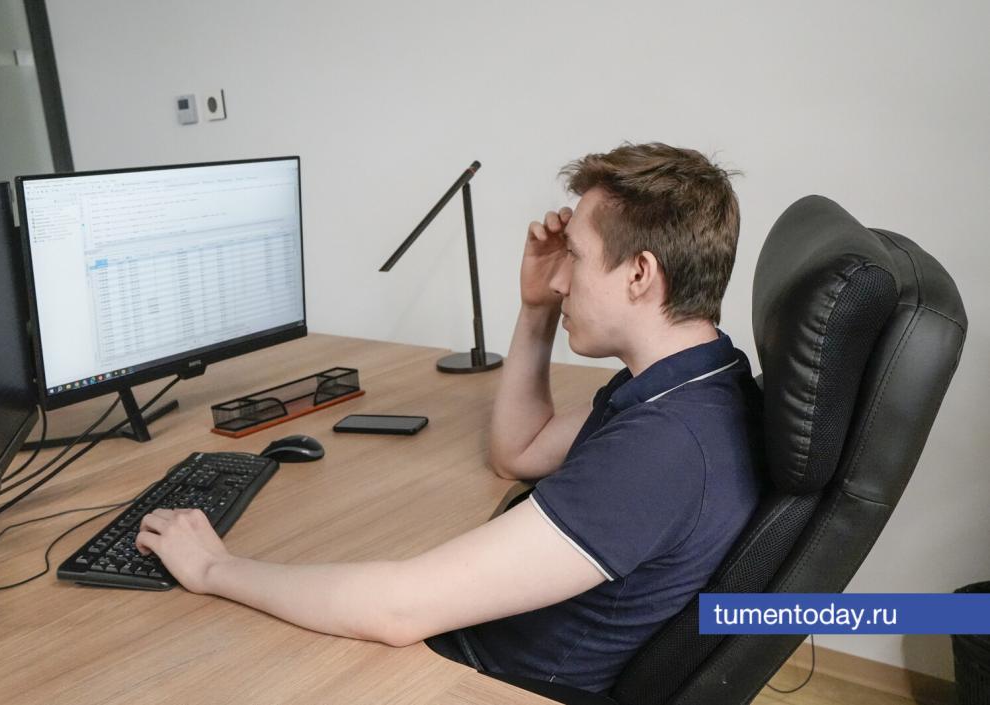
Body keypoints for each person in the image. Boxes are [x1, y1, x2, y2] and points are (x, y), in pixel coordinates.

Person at [135, 142, 763, 694]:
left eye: (574, 255)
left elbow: (398, 611)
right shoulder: (696, 379)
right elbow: (520, 452)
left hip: (471, 680)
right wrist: (536, 309)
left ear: (640, 274)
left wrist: (215, 567)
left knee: (189, 653)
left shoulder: (663, 448)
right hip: (479, 644)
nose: (560, 280)